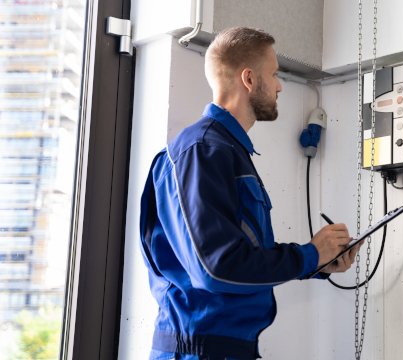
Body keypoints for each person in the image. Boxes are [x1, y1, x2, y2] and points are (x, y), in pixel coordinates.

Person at [138, 27, 360, 360]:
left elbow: (239, 256)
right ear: (249, 79)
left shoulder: (226, 151)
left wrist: (319, 262)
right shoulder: (202, 152)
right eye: (273, 74)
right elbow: (216, 269)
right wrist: (309, 255)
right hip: (199, 351)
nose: (280, 85)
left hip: (226, 348)